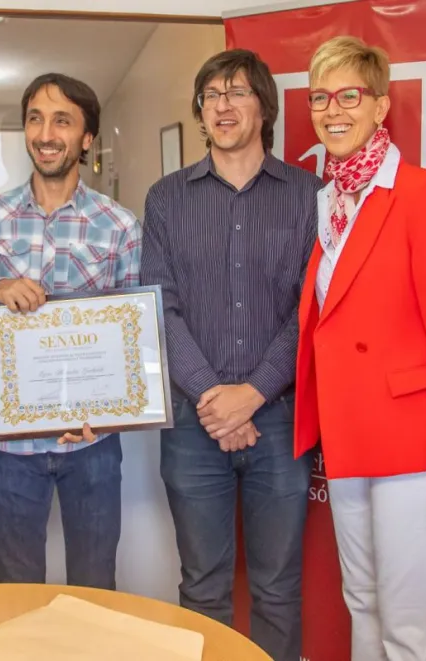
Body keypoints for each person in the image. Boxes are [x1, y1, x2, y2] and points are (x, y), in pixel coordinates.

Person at [295, 36, 426, 661]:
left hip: (410, 443)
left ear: (380, 107)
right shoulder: (329, 199)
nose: (332, 110)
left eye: (349, 95)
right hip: (347, 438)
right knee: (363, 601)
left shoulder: (422, 192)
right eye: (320, 97)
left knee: (407, 620)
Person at [140, 50, 322, 661]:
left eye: (237, 92)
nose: (222, 105)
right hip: (195, 426)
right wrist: (215, 399)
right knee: (203, 587)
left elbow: (312, 311)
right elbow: (160, 310)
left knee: (276, 587)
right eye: (211, 95)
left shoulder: (310, 196)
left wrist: (253, 395)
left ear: (264, 106)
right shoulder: (166, 199)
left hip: (278, 421)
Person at [0, 73, 141, 589]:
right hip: (11, 446)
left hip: (92, 444)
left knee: (95, 588)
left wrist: (106, 411)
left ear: (86, 138)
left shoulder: (120, 226)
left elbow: (134, 335)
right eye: (35, 118)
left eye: (62, 120)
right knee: (16, 591)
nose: (45, 132)